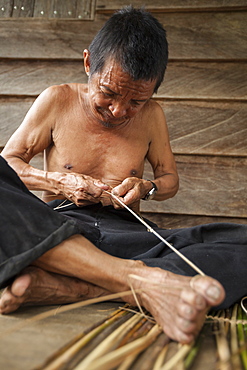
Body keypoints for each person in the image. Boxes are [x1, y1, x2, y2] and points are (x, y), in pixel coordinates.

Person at [0, 7, 246, 344]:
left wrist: (147, 188)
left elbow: (169, 180)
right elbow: (8, 165)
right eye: (109, 93)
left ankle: (75, 287)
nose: (119, 111)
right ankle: (128, 281)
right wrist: (60, 182)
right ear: (89, 64)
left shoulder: (153, 116)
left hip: (130, 236)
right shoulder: (57, 100)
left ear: (154, 90)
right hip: (61, 231)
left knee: (241, 244)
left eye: (137, 101)